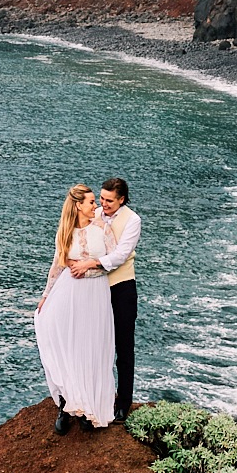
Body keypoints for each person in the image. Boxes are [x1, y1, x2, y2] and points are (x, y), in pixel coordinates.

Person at [35, 183, 115, 433]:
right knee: (67, 344)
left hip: (96, 292)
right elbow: (57, 266)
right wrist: (46, 295)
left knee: (92, 346)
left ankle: (89, 407)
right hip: (69, 291)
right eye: (92, 202)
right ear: (78, 205)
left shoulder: (103, 228)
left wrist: (88, 265)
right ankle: (65, 403)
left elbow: (113, 260)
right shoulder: (65, 231)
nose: (97, 206)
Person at [90, 177, 139, 424]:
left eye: (109, 200)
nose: (104, 204)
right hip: (96, 288)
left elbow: (120, 255)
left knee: (123, 348)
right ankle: (98, 397)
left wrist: (92, 263)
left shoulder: (133, 220)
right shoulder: (95, 214)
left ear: (121, 199)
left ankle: (124, 403)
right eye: (102, 198)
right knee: (96, 345)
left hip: (122, 288)